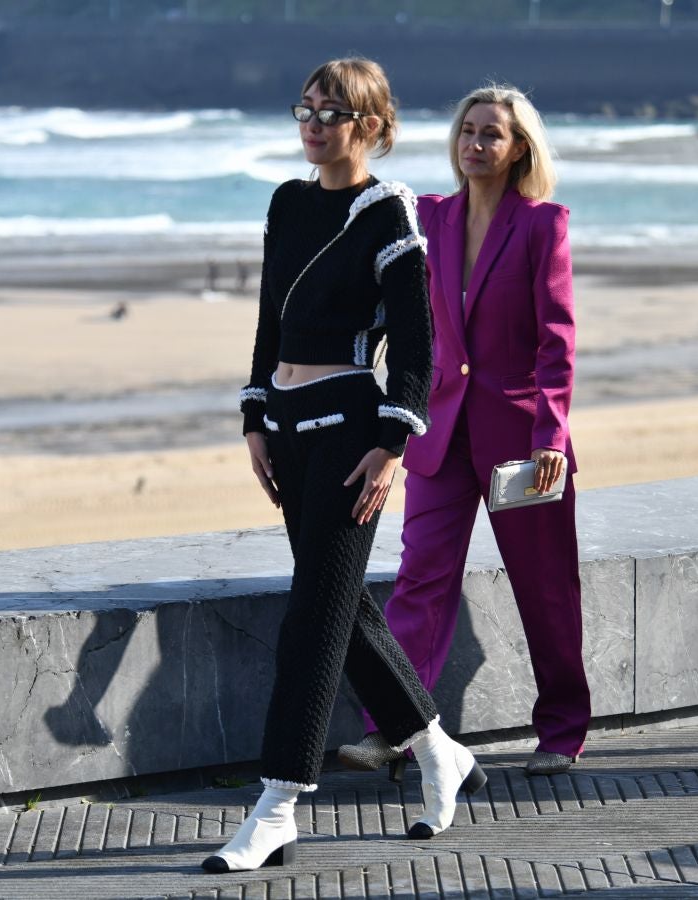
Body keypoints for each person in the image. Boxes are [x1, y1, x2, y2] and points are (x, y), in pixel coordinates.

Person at [201, 57, 486, 875]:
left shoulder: (388, 214)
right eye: (307, 107)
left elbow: (418, 346)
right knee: (342, 609)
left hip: (349, 434)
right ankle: (436, 750)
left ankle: (278, 803)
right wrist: (254, 414)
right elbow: (268, 319)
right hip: (287, 430)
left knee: (311, 620)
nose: (314, 123)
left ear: (372, 126)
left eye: (333, 112)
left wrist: (393, 443)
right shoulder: (288, 202)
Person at [338, 84, 591, 779]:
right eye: (468, 132)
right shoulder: (428, 218)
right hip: (439, 433)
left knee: (544, 585)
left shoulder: (544, 225)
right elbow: (401, 317)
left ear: (518, 150)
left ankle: (563, 731)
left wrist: (550, 437)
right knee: (420, 578)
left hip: (522, 439)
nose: (476, 144)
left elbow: (556, 342)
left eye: (492, 135)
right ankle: (395, 729)